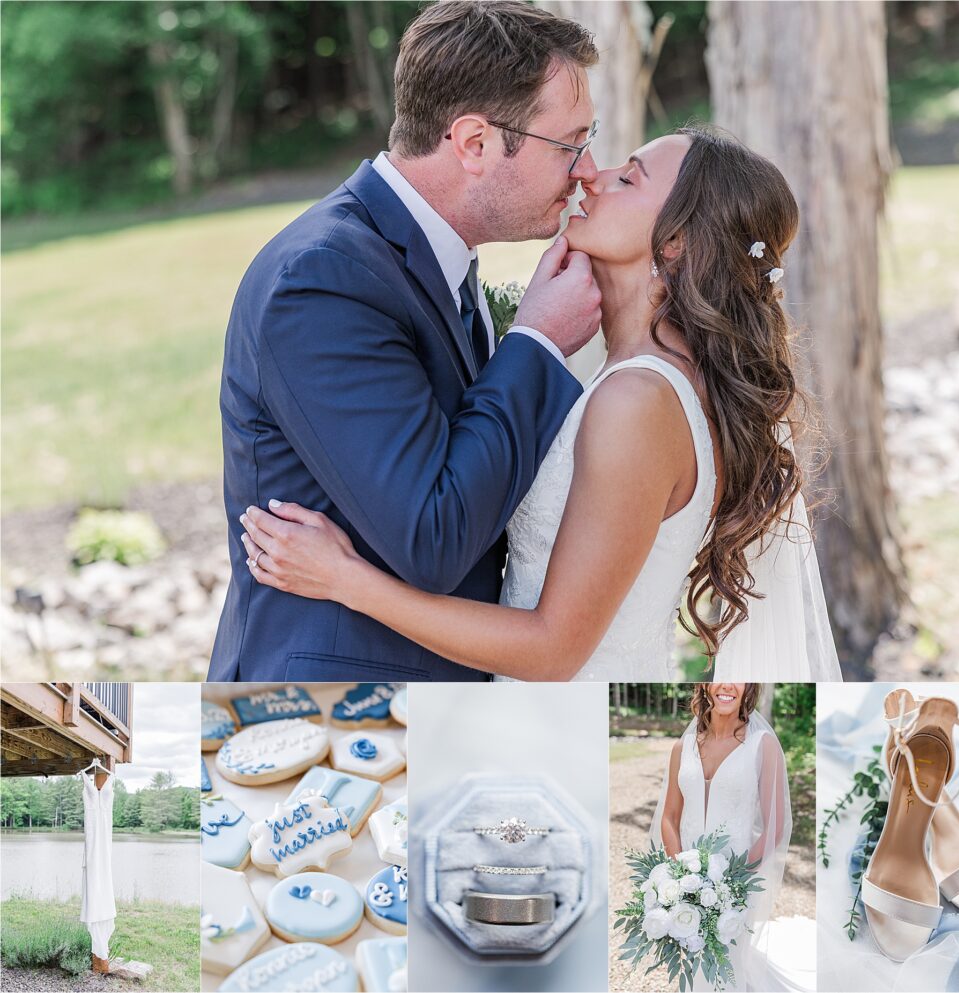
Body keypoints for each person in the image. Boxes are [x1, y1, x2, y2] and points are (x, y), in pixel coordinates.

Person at [239, 125, 842, 681]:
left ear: (678, 241)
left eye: (628, 177)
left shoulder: (639, 400)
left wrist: (346, 579)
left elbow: (553, 648)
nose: (592, 175)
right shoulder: (653, 382)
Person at [208, 1, 602, 681]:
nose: (588, 168)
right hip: (335, 703)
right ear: (474, 143)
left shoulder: (432, 257)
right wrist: (537, 339)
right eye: (570, 143)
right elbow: (433, 536)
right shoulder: (324, 280)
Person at [650, 683, 792, 991]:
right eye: (719, 678)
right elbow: (670, 817)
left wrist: (735, 884)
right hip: (686, 881)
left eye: (738, 679)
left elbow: (775, 824)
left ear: (749, 687)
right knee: (693, 955)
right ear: (705, 684)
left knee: (728, 965)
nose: (727, 685)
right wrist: (678, 877)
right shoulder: (683, 747)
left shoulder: (762, 745)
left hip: (737, 881)